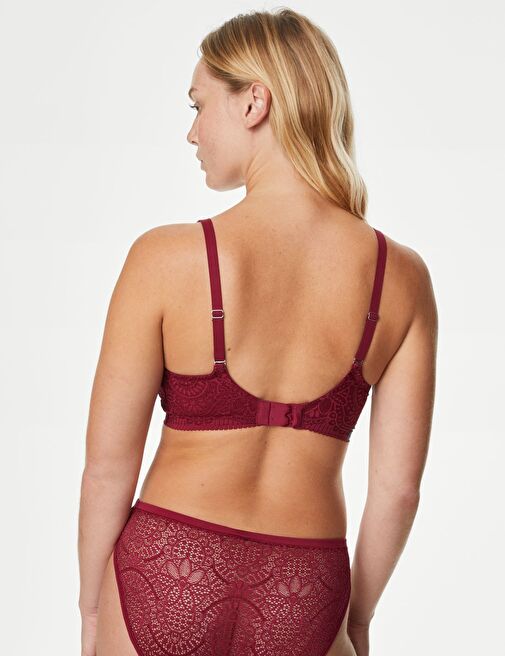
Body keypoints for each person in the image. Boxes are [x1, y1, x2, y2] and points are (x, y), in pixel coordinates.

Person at [78, 8, 437, 656]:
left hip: (166, 565)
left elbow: (108, 470)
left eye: (198, 105)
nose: (192, 132)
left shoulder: (165, 257)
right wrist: (355, 620)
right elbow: (397, 490)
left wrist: (90, 611)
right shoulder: (401, 277)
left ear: (253, 103)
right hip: (304, 588)